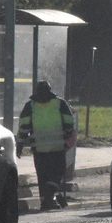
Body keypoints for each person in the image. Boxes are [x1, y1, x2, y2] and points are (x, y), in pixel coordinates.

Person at [17, 80, 76, 210]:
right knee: (57, 173)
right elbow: (69, 122)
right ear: (50, 90)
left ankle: (45, 201)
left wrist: (20, 144)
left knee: (42, 175)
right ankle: (51, 193)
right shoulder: (60, 103)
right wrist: (67, 136)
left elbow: (24, 127)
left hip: (39, 149)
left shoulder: (30, 106)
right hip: (58, 147)